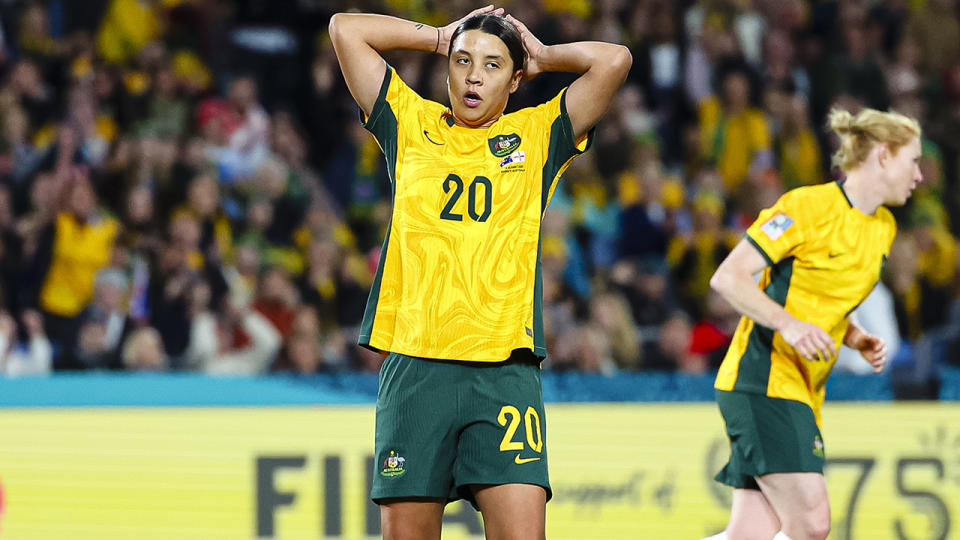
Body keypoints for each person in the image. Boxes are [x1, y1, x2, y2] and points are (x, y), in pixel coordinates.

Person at [328, 5, 631, 539]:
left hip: (503, 373)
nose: (473, 75)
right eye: (463, 61)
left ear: (516, 81)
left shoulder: (538, 134)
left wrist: (542, 56)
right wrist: (440, 36)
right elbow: (345, 29)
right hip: (417, 367)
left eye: (493, 65)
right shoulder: (409, 122)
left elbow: (614, 60)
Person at [705, 107, 922, 540]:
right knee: (811, 524)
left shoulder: (882, 228)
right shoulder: (808, 206)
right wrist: (788, 325)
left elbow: (823, 300)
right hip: (762, 380)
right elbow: (727, 277)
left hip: (804, 390)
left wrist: (854, 336)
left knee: (749, 533)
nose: (919, 174)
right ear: (882, 155)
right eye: (912, 160)